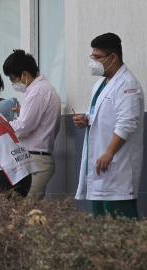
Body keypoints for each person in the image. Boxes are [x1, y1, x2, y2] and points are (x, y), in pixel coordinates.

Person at [73, 33, 144, 220]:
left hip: (116, 168)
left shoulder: (128, 84)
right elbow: (95, 113)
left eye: (97, 57)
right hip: (100, 167)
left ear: (113, 57)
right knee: (102, 231)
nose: (93, 62)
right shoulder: (100, 84)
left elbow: (127, 123)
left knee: (122, 228)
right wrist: (85, 119)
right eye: (92, 57)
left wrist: (109, 153)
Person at [2, 49, 61, 200]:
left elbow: (23, 127)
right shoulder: (38, 89)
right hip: (32, 159)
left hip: (36, 160)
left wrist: (2, 126)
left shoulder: (38, 91)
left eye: (13, 78)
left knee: (25, 212)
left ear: (25, 74)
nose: (13, 83)